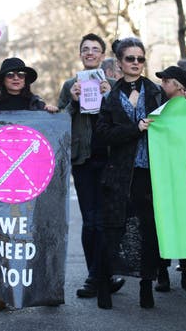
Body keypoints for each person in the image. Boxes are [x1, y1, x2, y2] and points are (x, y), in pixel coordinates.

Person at [95, 37, 167, 310]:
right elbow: (102, 135)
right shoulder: (111, 96)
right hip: (120, 175)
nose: (136, 63)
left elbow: (177, 117)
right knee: (112, 231)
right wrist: (134, 129)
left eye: (140, 59)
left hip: (151, 173)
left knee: (149, 231)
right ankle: (104, 284)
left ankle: (146, 286)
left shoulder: (157, 92)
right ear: (119, 62)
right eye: (130, 59)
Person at [0, 57, 57, 311]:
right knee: (2, 236)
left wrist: (52, 117)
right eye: (11, 74)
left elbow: (50, 140)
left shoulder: (38, 106)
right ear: (2, 80)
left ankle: (44, 288)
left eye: (21, 75)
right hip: (2, 183)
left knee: (36, 234)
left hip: (33, 180)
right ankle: (0, 292)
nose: (16, 78)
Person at [57, 34, 124, 299]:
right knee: (91, 221)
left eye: (95, 49)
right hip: (83, 161)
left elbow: (124, 121)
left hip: (109, 160)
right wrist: (72, 103)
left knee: (106, 221)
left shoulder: (115, 85)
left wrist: (111, 97)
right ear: (80, 54)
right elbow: (60, 122)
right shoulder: (70, 84)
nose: (90, 53)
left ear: (102, 54)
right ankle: (96, 276)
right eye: (85, 49)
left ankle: (100, 276)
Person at [153, 65, 186, 293]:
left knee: (185, 223)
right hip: (164, 171)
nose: (162, 85)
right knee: (163, 221)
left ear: (178, 84)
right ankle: (162, 274)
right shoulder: (159, 107)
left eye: (166, 81)